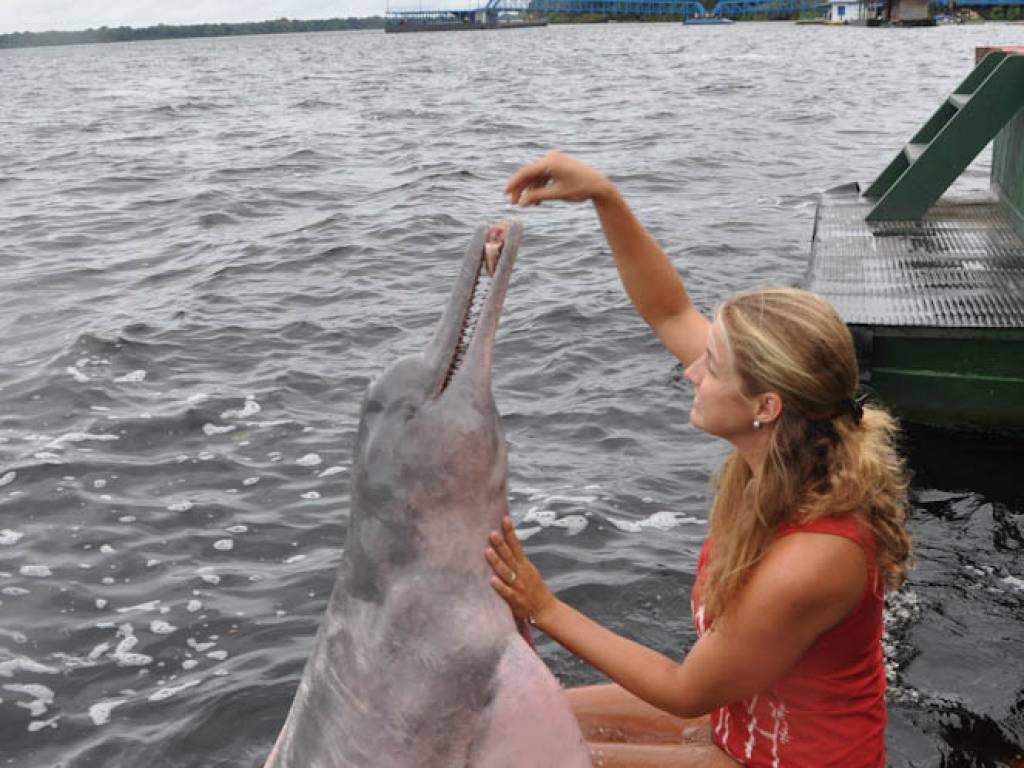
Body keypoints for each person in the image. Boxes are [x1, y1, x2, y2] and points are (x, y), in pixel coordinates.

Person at [484, 151, 912, 768]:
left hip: (781, 761)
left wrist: (542, 606)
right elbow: (668, 311)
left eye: (711, 366)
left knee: (521, 760)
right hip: (734, 723)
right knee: (514, 721)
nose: (690, 370)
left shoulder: (817, 557)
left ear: (765, 405)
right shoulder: (793, 440)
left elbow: (687, 693)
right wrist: (605, 196)